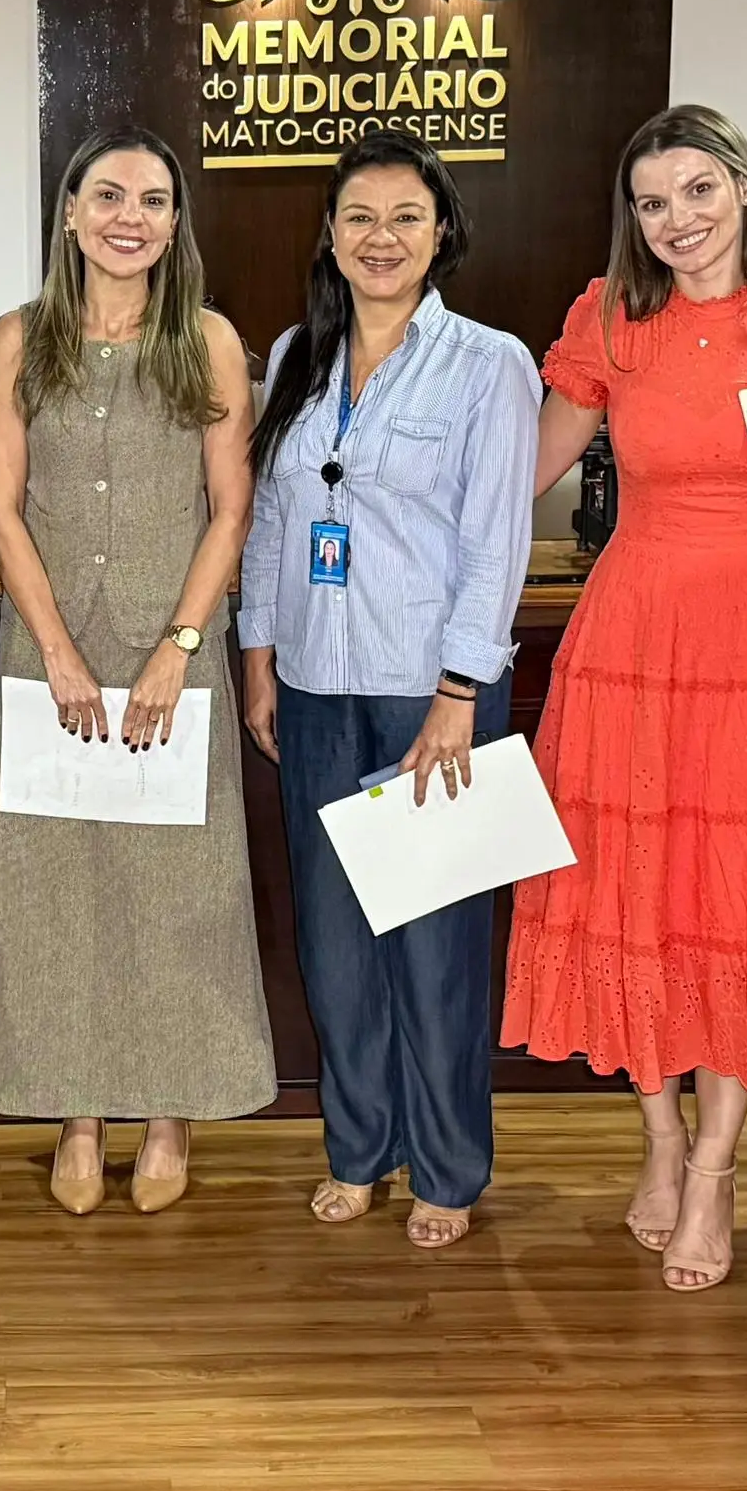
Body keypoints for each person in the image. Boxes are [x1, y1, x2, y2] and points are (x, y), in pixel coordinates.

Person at [510, 104, 747, 1292]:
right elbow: (517, 474)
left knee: (739, 895)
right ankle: (657, 1140)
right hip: (629, 636)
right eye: (652, 202)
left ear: (742, 190)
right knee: (627, 889)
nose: (677, 219)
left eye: (698, 190)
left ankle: (714, 1170)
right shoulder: (609, 320)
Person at [0, 125, 271, 1210]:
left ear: (175, 221)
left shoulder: (212, 343)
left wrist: (178, 649)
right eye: (106, 197)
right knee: (57, 892)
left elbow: (231, 508)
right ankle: (78, 1113)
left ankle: (170, 1113)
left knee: (177, 891)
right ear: (72, 214)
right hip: (47, 654)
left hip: (168, 656)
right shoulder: (15, 339)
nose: (127, 218)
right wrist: (53, 653)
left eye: (150, 200)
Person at [238, 131, 542, 1251]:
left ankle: (449, 1167)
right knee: (334, 940)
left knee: (433, 943)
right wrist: (258, 655)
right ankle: (357, 1150)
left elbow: (492, 541)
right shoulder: (293, 355)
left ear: (440, 233)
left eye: (404, 217)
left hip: (430, 692)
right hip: (315, 682)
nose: (380, 237)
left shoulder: (488, 363)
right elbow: (272, 520)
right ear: (328, 233)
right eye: (359, 216)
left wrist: (462, 689)